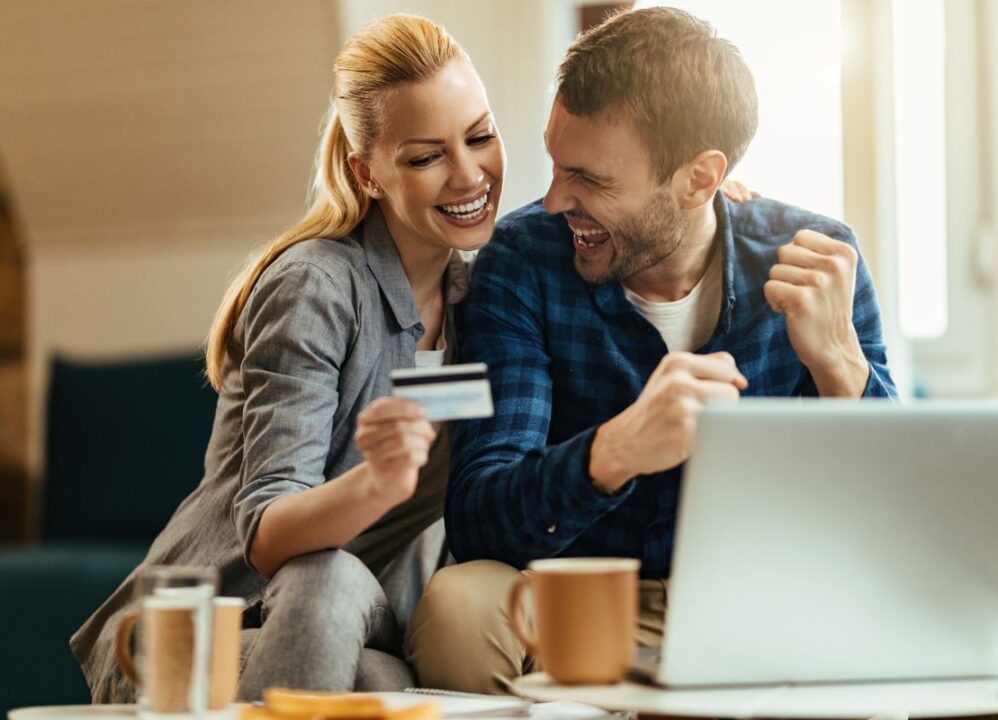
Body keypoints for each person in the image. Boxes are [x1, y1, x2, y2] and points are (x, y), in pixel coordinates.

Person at [407, 6, 897, 694]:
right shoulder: (522, 260)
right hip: (580, 605)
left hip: (757, 606)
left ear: (699, 179)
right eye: (555, 165)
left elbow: (896, 522)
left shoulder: (817, 261)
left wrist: (841, 365)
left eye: (591, 180)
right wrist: (616, 452)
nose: (553, 200)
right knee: (460, 606)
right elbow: (480, 515)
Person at [70, 14, 505, 701]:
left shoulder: (478, 296)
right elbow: (271, 535)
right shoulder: (318, 286)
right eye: (426, 157)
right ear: (368, 174)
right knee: (337, 605)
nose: (469, 173)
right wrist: (380, 484)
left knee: (390, 677)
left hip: (346, 626)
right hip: (201, 631)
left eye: (480, 136)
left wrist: (716, 216)